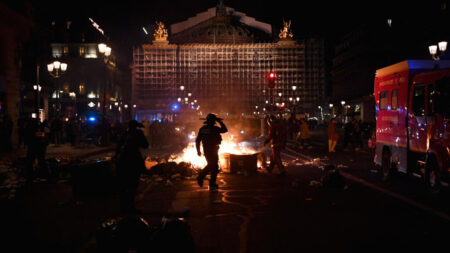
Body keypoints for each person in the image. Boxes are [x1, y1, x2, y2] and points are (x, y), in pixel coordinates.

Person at [115, 120, 149, 214]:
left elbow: (118, 148)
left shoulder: (125, 134)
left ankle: (124, 207)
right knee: (132, 185)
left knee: (124, 185)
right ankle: (130, 207)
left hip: (123, 162)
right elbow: (145, 145)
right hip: (133, 161)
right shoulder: (138, 133)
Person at [196, 113, 228, 191]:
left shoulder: (203, 129)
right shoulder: (215, 128)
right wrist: (220, 122)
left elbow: (197, 141)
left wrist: (198, 151)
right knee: (212, 165)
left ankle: (212, 183)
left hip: (208, 149)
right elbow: (225, 130)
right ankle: (201, 176)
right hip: (212, 149)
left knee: (214, 166)